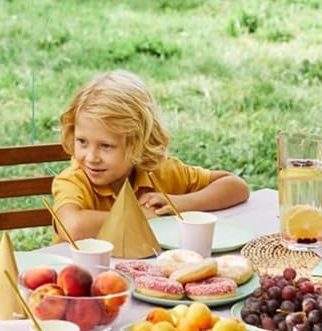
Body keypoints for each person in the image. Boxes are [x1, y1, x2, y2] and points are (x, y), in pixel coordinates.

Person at [52, 70, 250, 239]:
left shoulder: (161, 171)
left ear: (139, 143)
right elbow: (73, 226)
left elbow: (236, 186)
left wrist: (180, 204)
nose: (91, 157)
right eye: (82, 141)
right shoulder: (74, 181)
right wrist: (143, 217)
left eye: (106, 146)